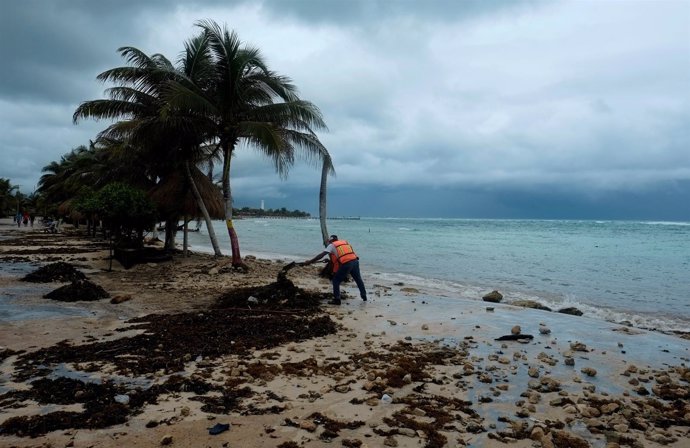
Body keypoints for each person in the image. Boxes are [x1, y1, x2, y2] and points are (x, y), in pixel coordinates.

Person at [304, 235, 367, 305]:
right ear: (337, 239)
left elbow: (321, 255)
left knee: (336, 280)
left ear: (330, 241)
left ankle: (337, 300)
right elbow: (342, 257)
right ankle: (364, 296)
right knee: (358, 279)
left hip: (347, 263)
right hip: (355, 261)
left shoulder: (332, 245)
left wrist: (310, 262)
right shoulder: (345, 242)